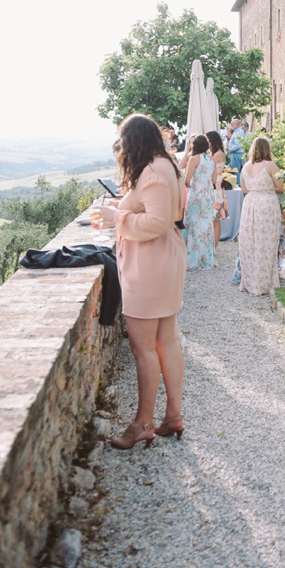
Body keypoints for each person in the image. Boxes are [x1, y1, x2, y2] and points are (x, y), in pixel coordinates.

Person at [97, 113, 188, 449]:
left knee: (143, 347)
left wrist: (117, 217)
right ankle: (173, 415)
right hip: (163, 260)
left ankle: (142, 423)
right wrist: (124, 207)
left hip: (149, 266)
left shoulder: (152, 172)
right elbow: (164, 213)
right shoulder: (165, 166)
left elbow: (156, 222)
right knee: (167, 340)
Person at [236, 136, 285, 296]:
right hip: (266, 204)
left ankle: (250, 282)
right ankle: (264, 282)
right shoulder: (270, 165)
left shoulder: (246, 166)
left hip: (250, 204)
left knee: (250, 242)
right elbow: (281, 186)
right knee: (267, 242)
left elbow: (244, 189)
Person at [180, 134, 217, 270]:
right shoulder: (211, 160)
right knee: (206, 224)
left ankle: (192, 259)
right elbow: (213, 180)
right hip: (208, 195)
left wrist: (190, 181)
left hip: (196, 194)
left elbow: (187, 180)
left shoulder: (194, 159)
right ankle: (206, 258)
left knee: (192, 223)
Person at [205, 130, 228, 248]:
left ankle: (214, 246)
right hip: (215, 185)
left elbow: (210, 168)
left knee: (216, 219)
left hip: (217, 186)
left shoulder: (218, 154)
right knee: (213, 219)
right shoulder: (215, 153)